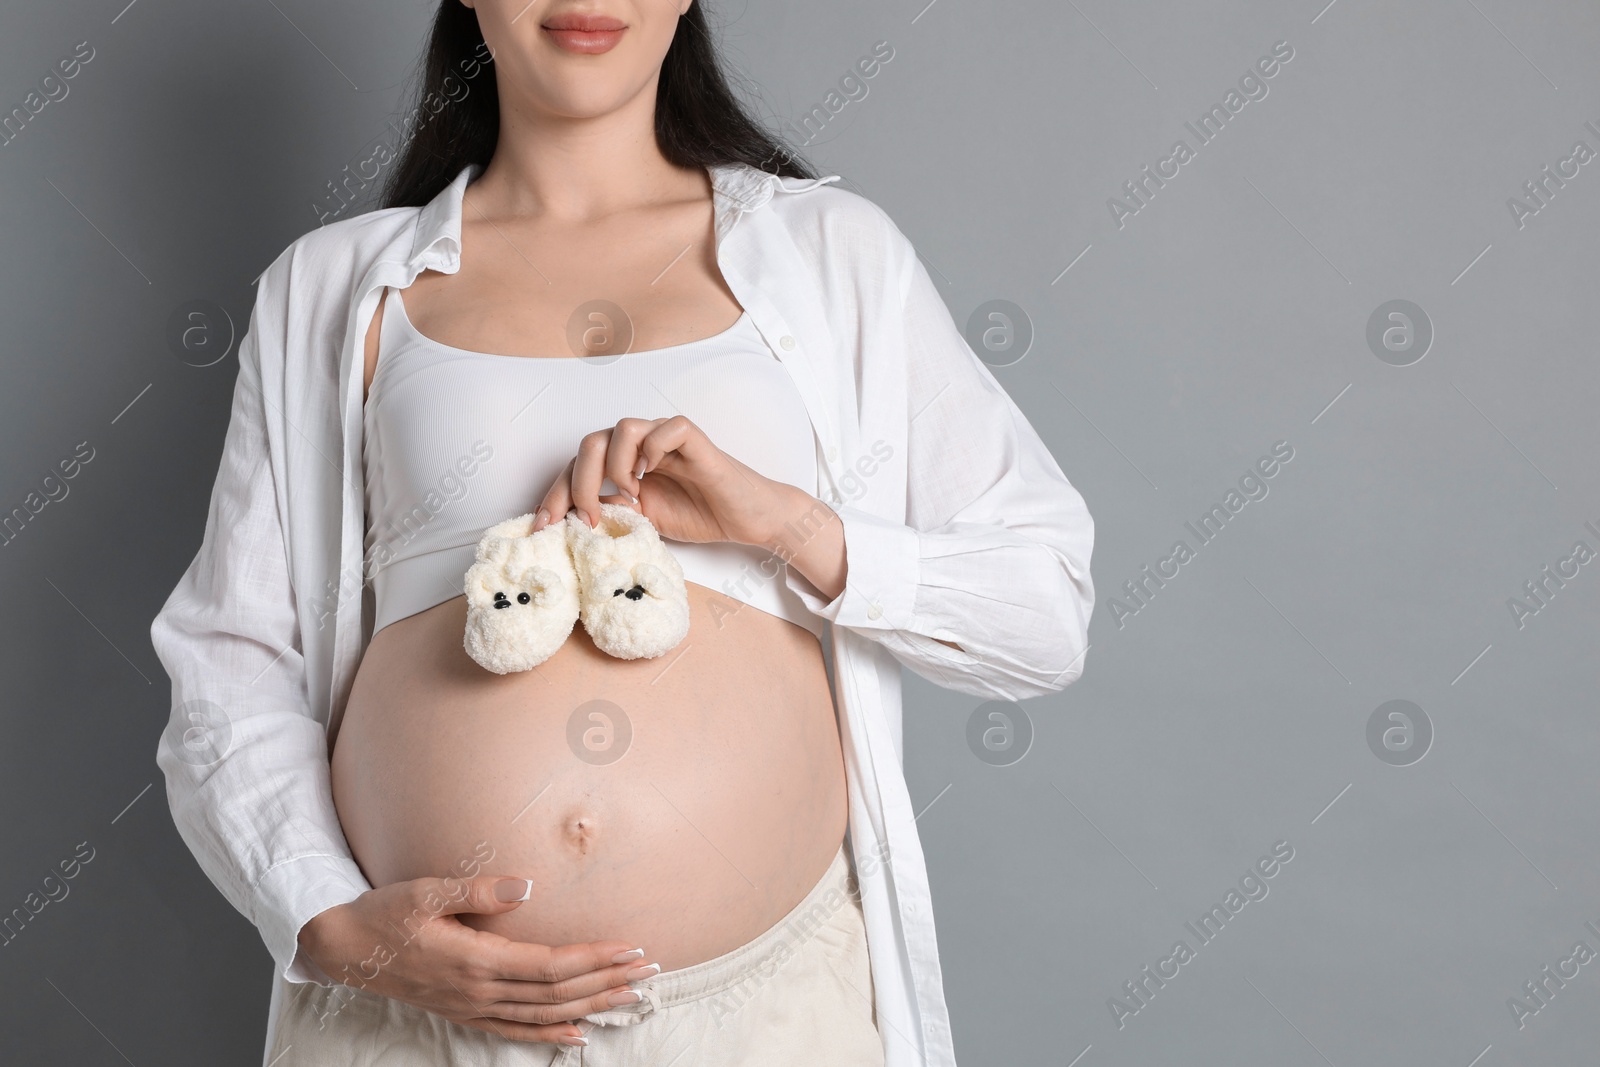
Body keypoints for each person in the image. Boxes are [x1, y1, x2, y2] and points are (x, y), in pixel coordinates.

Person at [151, 2, 1096, 1065]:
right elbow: (227, 659)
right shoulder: (330, 290)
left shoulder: (829, 257)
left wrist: (778, 520)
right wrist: (324, 918)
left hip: (767, 1017)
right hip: (413, 1021)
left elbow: (1043, 609)